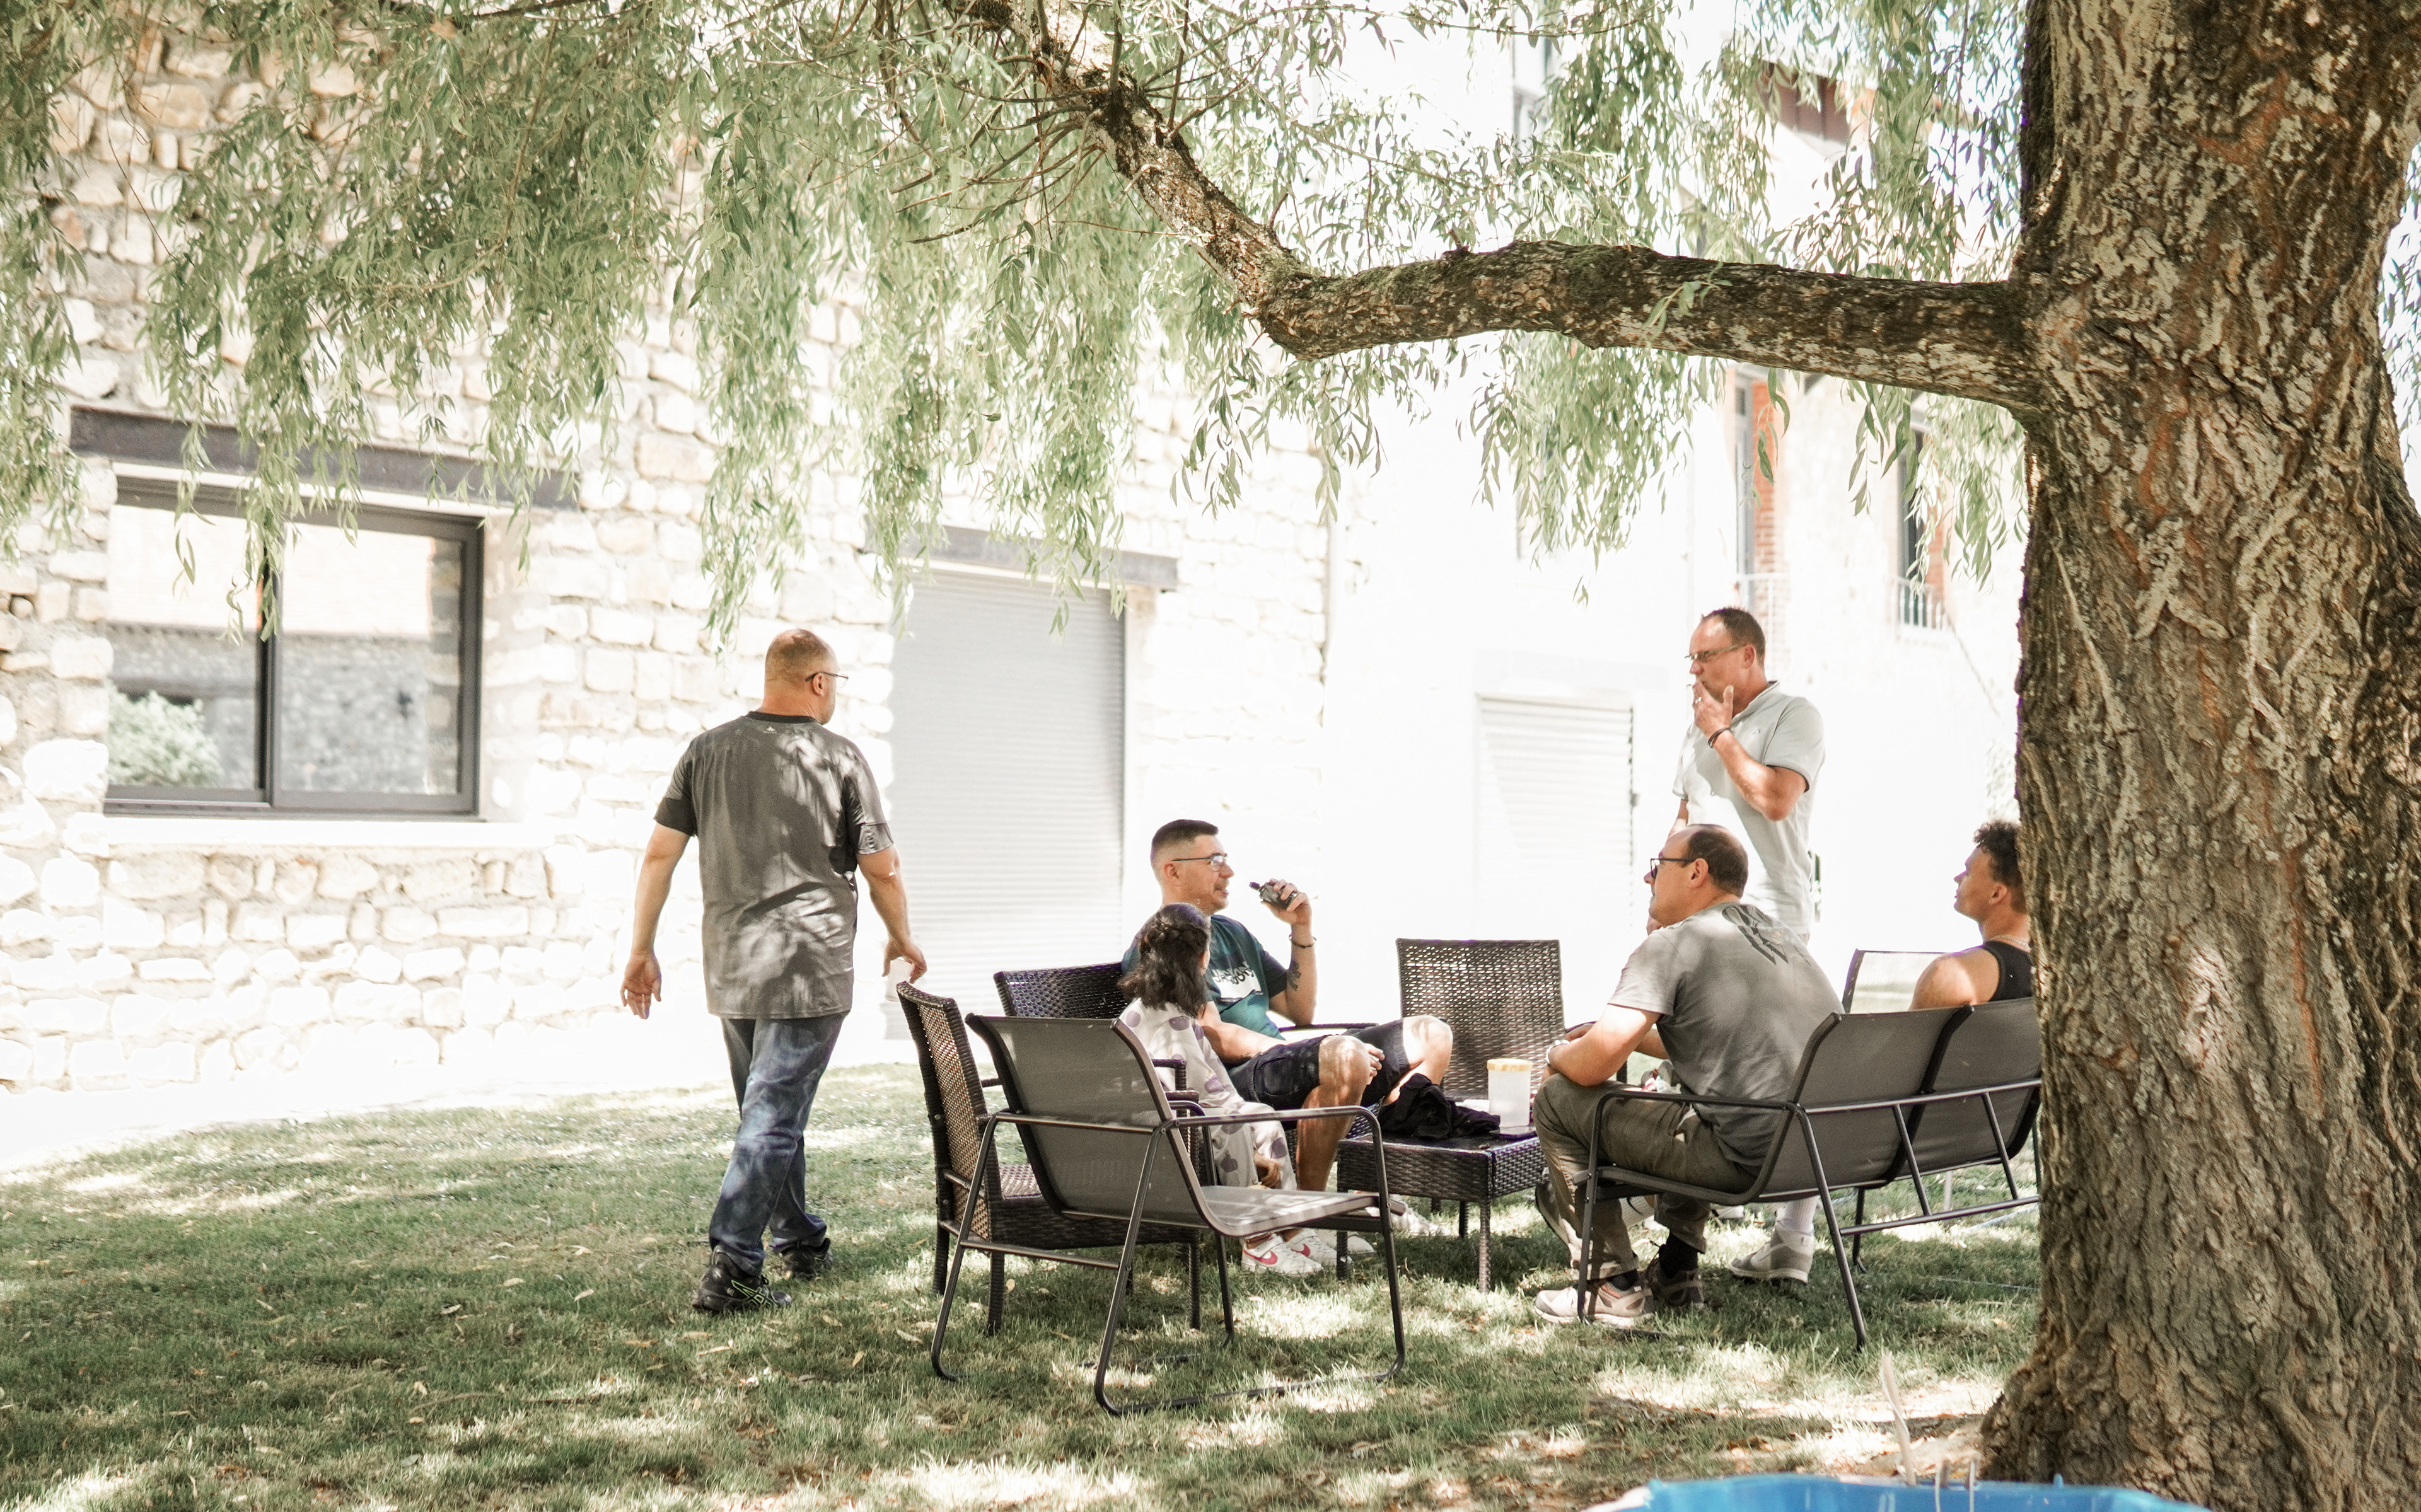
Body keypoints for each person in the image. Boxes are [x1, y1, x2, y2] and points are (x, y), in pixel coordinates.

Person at [622, 628, 926, 1314]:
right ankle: (733, 1266)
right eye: (836, 683)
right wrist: (902, 936)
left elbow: (659, 854)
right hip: (807, 966)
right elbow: (881, 866)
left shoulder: (705, 751)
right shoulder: (839, 757)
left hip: (733, 965)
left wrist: (641, 947)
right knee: (773, 1114)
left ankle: (800, 1237)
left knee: (768, 1110)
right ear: (819, 682)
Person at [1529, 825, 1838, 1327]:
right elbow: (1713, 1039)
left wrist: (1556, 1051)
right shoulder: (1780, 938)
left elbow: (1592, 1066)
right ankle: (1677, 1270)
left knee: (1558, 1097)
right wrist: (1619, 1038)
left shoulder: (1675, 943)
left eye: (1660, 865)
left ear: (1697, 871)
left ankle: (1610, 1285)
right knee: (1690, 1099)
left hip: (1747, 1159)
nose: (1649, 877)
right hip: (1817, 1155)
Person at [1127, 819, 1453, 1213]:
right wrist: (1309, 1050)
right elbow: (1211, 1033)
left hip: (1277, 1062)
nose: (1228, 872)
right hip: (1232, 1082)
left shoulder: (1233, 933)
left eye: (1225, 859)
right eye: (1214, 861)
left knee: (1432, 1034)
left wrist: (1302, 928)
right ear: (1173, 871)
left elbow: (1300, 1010)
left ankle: (1374, 1191)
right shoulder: (1163, 945)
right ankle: (1310, 1210)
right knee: (1343, 1055)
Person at [1672, 605, 1827, 1265]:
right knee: (1693, 1057)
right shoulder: (1696, 728)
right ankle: (1691, 1225)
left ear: (1748, 656)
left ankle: (1794, 1237)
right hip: (1703, 923)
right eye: (1691, 659)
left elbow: (1774, 799)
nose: (1695, 671)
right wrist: (1662, 892)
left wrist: (1722, 734)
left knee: (1791, 1073)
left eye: (1705, 657)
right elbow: (1687, 819)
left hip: (1772, 918)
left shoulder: (1795, 716)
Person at [1118, 903, 1321, 1276]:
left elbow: (1217, 1089)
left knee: (1261, 1116)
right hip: (1162, 1130)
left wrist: (1253, 1129)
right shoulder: (1169, 1024)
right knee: (1233, 1127)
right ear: (1203, 960)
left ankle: (1291, 1228)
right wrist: (1253, 1154)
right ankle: (1258, 1243)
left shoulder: (1168, 1012)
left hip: (1178, 1117)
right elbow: (1202, 1099)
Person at [1909, 819, 2032, 1007]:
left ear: (1996, 894)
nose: (1957, 878)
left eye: (1968, 872)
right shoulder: (2057, 974)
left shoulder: (1954, 974)